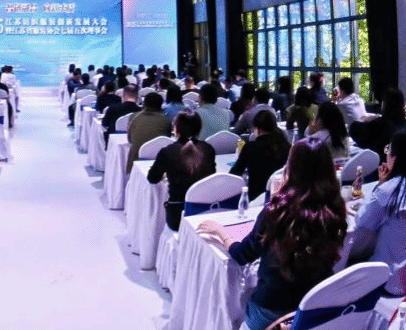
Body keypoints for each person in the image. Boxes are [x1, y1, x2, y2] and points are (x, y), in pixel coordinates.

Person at [197, 140, 348, 330]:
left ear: (291, 168)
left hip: (271, 308)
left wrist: (221, 233)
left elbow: (243, 255)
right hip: (314, 305)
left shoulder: (277, 212)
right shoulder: (334, 210)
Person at [351, 129, 406, 296]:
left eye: (389, 150)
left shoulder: (389, 190)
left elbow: (362, 220)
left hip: (389, 281)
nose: (387, 155)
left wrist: (381, 185)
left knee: (349, 257)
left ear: (396, 157)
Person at [147, 111, 217, 230]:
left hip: (177, 217)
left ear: (176, 129)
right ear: (199, 129)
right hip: (206, 212)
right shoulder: (208, 149)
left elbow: (152, 178)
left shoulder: (167, 151)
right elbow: (210, 176)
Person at [231, 110, 290, 201]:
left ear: (257, 129)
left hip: (256, 197)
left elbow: (235, 173)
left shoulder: (250, 147)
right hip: (281, 196)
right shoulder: (286, 146)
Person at [350, 87, 406, 162]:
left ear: (384, 104)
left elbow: (354, 131)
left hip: (378, 164)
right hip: (396, 163)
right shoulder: (404, 123)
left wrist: (365, 120)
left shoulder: (380, 124)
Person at [125, 92, 172, 173]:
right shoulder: (166, 120)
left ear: (144, 104)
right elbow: (166, 140)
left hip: (135, 164)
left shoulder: (133, 117)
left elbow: (130, 140)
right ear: (160, 106)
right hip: (160, 164)